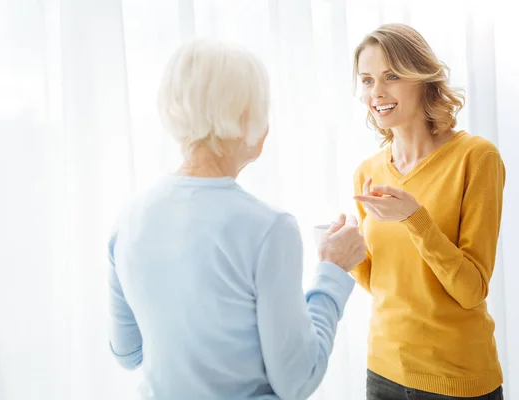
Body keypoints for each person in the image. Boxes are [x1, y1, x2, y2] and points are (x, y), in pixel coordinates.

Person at [107, 39, 366, 400]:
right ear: (246, 115)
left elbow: (127, 352)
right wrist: (333, 270)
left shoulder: (128, 220)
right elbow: (298, 380)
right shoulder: (270, 229)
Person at [351, 23, 505, 399]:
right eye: (367, 80)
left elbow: (471, 290)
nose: (378, 92)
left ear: (423, 79)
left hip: (456, 377)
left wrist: (416, 220)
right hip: (383, 370)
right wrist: (348, 255)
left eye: (392, 76)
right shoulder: (368, 172)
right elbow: (385, 284)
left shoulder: (475, 158)